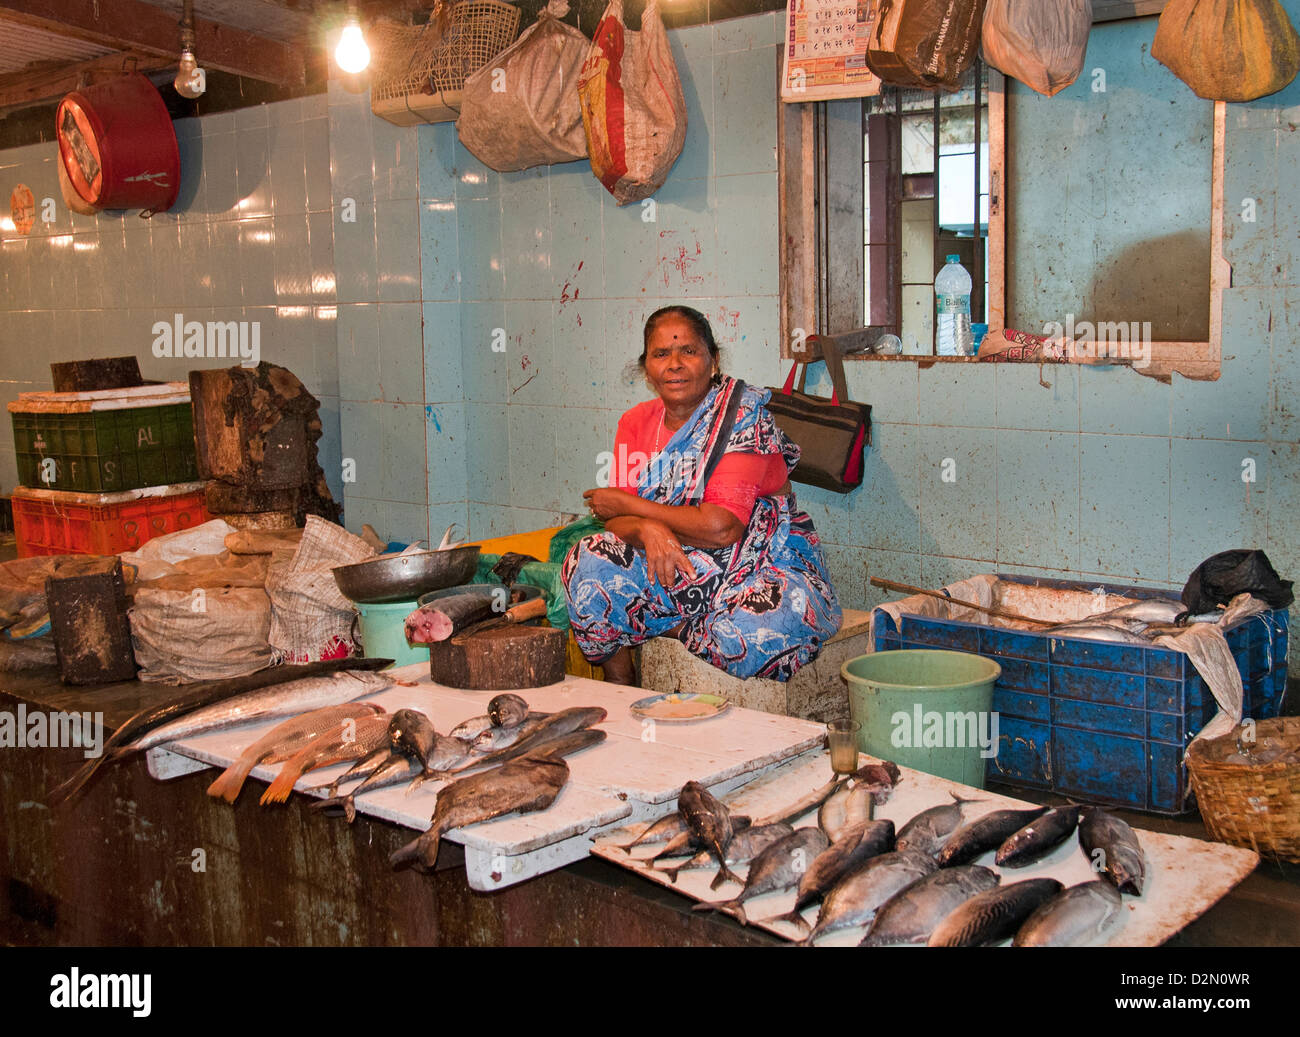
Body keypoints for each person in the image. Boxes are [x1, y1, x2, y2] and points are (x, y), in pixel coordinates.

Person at [562, 305, 841, 685]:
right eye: (661, 354)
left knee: (772, 623)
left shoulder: (741, 418)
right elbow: (616, 523)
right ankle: (621, 685)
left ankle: (671, 628)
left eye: (688, 351)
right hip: (670, 562)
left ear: (713, 361)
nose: (674, 364)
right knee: (587, 561)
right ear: (647, 368)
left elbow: (722, 527)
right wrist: (646, 529)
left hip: (757, 565)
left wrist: (633, 508)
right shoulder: (634, 422)